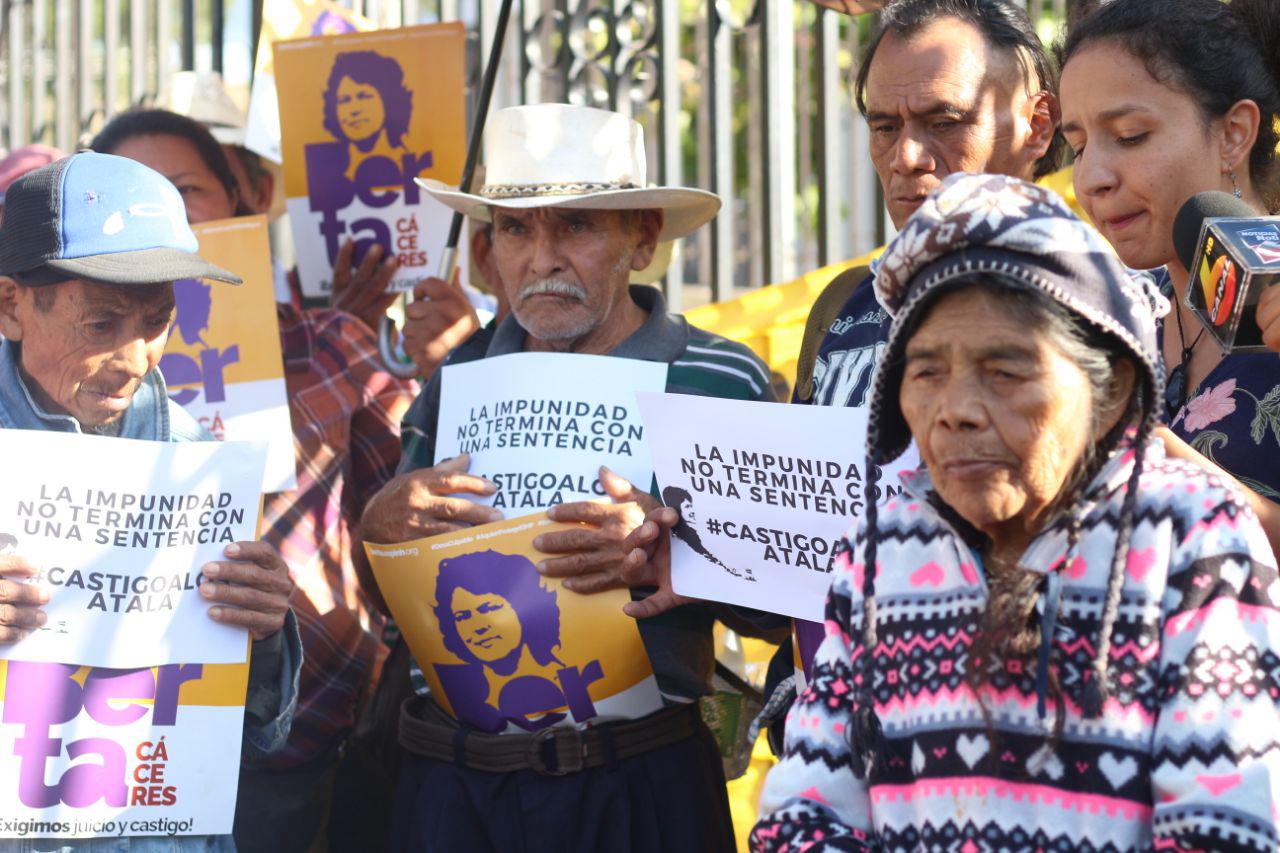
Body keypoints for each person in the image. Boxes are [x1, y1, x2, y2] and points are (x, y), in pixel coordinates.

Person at [751, 172, 1280, 851]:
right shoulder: (880, 553)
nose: (956, 411)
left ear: (1112, 388)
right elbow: (799, 817)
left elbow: (1224, 831)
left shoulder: (1191, 538)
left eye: (1006, 371)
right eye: (926, 372)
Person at [358, 102, 779, 852]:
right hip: (454, 785)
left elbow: (781, 613)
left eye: (576, 226)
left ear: (642, 238)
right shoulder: (457, 374)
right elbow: (389, 603)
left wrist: (677, 556)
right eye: (516, 229)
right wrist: (380, 529)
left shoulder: (721, 378)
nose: (541, 258)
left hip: (640, 782)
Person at [88, 109, 417, 853]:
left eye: (183, 190)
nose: (157, 214)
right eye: (129, 194)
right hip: (110, 741)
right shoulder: (58, 369)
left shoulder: (333, 346)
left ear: (242, 202)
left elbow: (398, 532)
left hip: (299, 745)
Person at [0, 151, 302, 852]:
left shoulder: (195, 464)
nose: (137, 358)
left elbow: (254, 732)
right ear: (12, 306)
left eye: (158, 320)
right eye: (101, 326)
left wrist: (262, 631)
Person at [1060, 0, 1280, 516]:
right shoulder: (1103, 321)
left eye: (1130, 136)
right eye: (1078, 147)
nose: (1092, 179)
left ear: (1234, 134)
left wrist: (1147, 456)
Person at [794, 0, 1062, 409]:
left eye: (943, 124)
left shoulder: (1105, 309)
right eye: (886, 127)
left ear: (1037, 125)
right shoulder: (842, 309)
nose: (906, 158)